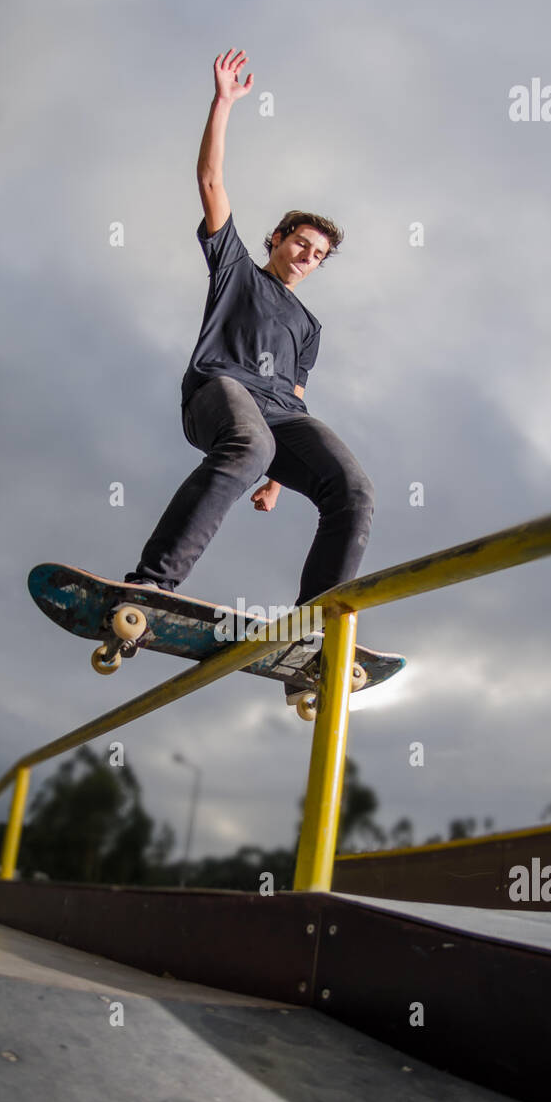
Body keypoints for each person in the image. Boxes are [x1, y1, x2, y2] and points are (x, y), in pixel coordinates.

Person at [122, 49, 375, 704]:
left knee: (351, 489)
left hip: (276, 415)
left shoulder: (309, 327)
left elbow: (291, 399)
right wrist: (224, 105)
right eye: (300, 242)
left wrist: (274, 482)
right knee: (252, 440)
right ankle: (152, 583)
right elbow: (210, 180)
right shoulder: (235, 268)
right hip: (216, 391)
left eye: (318, 255)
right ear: (278, 237)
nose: (306, 256)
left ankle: (314, 644)